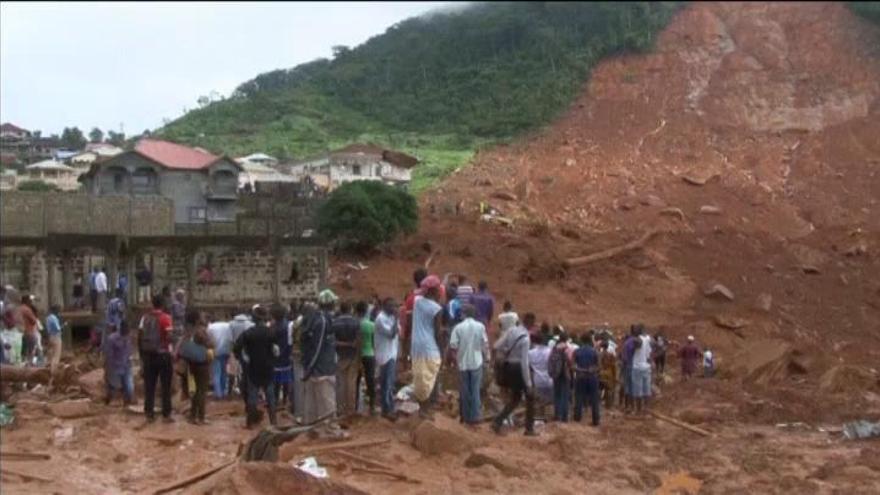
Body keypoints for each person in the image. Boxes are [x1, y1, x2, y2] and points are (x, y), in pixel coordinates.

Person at [233, 305, 277, 427]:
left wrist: (241, 358)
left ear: (253, 318)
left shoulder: (248, 333)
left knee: (253, 395)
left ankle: (250, 423)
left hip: (253, 367)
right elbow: (275, 349)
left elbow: (237, 347)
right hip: (268, 367)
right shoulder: (271, 332)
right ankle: (274, 422)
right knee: (270, 396)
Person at [301, 290, 339, 428]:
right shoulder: (323, 321)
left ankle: (311, 429)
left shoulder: (317, 318)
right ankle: (331, 429)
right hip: (322, 368)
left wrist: (308, 368)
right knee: (327, 401)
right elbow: (317, 347)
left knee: (312, 402)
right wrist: (310, 368)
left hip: (315, 368)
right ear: (330, 304)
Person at [492, 317, 535, 436]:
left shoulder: (511, 331)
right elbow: (524, 362)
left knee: (515, 398)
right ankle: (529, 428)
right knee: (530, 396)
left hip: (508, 367)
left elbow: (496, 346)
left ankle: (497, 421)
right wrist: (528, 383)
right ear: (531, 324)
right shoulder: (526, 338)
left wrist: (498, 357)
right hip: (518, 369)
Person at [411, 275, 444, 419]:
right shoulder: (436, 308)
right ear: (434, 291)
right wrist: (442, 350)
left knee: (420, 378)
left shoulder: (417, 302)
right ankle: (426, 409)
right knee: (430, 378)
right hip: (430, 347)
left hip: (416, 346)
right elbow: (437, 333)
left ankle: (423, 408)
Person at [449, 304, 488, 425]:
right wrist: (487, 358)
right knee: (475, 390)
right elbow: (484, 344)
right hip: (477, 361)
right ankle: (475, 417)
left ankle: (465, 417)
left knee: (464, 391)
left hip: (463, 363)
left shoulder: (458, 327)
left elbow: (453, 346)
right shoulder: (480, 326)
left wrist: (454, 361)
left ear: (464, 314)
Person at [138, 295, 174, 423]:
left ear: (152, 304)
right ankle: (166, 414)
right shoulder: (166, 318)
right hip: (163, 355)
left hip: (148, 355)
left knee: (149, 385)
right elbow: (169, 336)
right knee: (166, 386)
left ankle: (149, 413)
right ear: (163, 304)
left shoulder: (144, 318)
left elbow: (140, 335)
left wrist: (142, 354)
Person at [182, 308, 215, 425]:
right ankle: (201, 417)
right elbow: (211, 344)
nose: (203, 318)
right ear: (197, 320)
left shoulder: (188, 331)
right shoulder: (201, 331)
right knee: (202, 391)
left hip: (192, 363)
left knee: (196, 391)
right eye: (201, 316)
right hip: (202, 364)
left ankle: (192, 416)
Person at [332, 301, 360, 418]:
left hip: (340, 356)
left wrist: (344, 344)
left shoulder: (335, 323)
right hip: (353, 356)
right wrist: (352, 346)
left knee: (341, 384)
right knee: (351, 384)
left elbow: (333, 342)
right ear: (350, 309)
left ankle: (340, 410)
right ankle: (351, 410)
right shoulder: (356, 322)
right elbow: (359, 341)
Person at [374, 298, 399, 420]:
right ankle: (388, 410)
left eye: (394, 306)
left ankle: (386, 409)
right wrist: (397, 319)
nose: (394, 308)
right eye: (391, 306)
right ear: (385, 306)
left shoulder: (391, 318)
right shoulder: (381, 319)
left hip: (391, 353)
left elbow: (399, 331)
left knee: (387, 383)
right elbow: (391, 334)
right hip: (384, 355)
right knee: (387, 384)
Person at [401, 268, 428, 371]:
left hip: (415, 340)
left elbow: (407, 323)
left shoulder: (410, 299)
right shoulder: (431, 297)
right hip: (427, 343)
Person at [572, 333, 601, 426]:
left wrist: (581, 369)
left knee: (579, 397)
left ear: (581, 340)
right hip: (592, 377)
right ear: (589, 341)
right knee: (594, 399)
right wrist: (591, 370)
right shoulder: (595, 352)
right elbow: (599, 366)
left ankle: (577, 417)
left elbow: (572, 366)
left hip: (580, 376)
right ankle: (595, 419)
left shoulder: (576, 351)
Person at [105, 321, 134, 407]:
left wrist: (130, 360)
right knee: (113, 387)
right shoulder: (112, 339)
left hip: (126, 366)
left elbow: (129, 351)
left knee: (129, 387)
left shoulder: (128, 338)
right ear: (121, 329)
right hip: (115, 366)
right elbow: (109, 355)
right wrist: (109, 368)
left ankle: (127, 404)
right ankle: (108, 400)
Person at [355, 301, 377, 416]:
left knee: (356, 381)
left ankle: (355, 406)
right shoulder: (371, 325)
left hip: (357, 356)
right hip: (369, 354)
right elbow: (374, 342)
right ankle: (372, 406)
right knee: (370, 380)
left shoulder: (355, 324)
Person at [271, 303, 294, 409]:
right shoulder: (288, 325)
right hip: (286, 354)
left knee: (276, 380)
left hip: (276, 356)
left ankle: (276, 400)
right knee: (286, 379)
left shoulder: (273, 327)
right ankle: (285, 399)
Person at [207, 314, 232, 399]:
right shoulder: (228, 325)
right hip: (226, 351)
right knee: (224, 372)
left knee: (216, 373)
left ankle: (218, 393)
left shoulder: (210, 327)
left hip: (215, 351)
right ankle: (224, 391)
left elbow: (208, 340)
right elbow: (230, 339)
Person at [549, 331, 572, 422]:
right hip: (565, 373)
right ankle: (564, 416)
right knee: (565, 395)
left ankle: (557, 414)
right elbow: (570, 361)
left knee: (557, 394)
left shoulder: (554, 348)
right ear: (566, 339)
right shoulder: (568, 348)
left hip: (556, 373)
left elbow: (550, 360)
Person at [170, 290, 188, 400]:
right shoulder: (177, 305)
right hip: (177, 328)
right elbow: (179, 315)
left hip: (179, 328)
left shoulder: (178, 304)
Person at [631, 325, 653, 415]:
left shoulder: (637, 339)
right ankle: (647, 409)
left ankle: (638, 411)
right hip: (646, 367)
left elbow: (636, 345)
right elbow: (649, 353)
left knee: (638, 390)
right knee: (646, 390)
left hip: (637, 367)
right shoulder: (648, 339)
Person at [528, 333, 553, 408]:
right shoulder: (550, 351)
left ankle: (541, 416)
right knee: (550, 402)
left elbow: (529, 367)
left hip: (538, 380)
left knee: (540, 402)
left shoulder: (530, 353)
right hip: (550, 379)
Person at [18, 295, 39, 365]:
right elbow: (34, 321)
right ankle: (30, 366)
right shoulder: (27, 309)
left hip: (20, 332)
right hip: (29, 332)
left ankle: (23, 365)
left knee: (23, 352)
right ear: (27, 301)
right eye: (30, 301)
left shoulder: (18, 308)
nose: (31, 302)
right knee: (32, 352)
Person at [599, 340, 618, 409]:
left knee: (599, 389)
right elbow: (614, 366)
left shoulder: (599, 354)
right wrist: (615, 376)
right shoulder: (610, 355)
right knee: (608, 390)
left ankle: (598, 405)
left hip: (600, 372)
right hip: (608, 373)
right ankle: (608, 405)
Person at [46, 304, 64, 370]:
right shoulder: (54, 318)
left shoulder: (48, 317)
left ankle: (48, 369)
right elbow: (58, 328)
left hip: (50, 336)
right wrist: (64, 325)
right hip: (56, 337)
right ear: (55, 310)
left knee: (51, 354)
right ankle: (53, 371)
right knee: (56, 355)